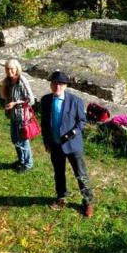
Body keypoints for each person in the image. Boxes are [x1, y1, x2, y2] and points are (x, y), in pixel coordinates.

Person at [40, 70, 94, 217]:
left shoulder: (75, 101)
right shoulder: (45, 100)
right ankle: (61, 197)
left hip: (73, 146)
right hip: (55, 145)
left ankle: (88, 201)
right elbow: (44, 123)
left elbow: (82, 121)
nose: (58, 86)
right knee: (59, 173)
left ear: (65, 86)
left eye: (61, 84)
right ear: (51, 84)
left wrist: (74, 132)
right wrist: (46, 141)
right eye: (55, 83)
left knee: (81, 174)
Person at [0, 58, 36, 173]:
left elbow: (31, 100)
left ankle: (28, 163)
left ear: (17, 69)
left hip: (22, 116)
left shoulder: (22, 81)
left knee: (23, 140)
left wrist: (15, 103)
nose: (10, 71)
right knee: (15, 139)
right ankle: (21, 160)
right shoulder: (8, 81)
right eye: (7, 69)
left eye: (12, 69)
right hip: (13, 116)